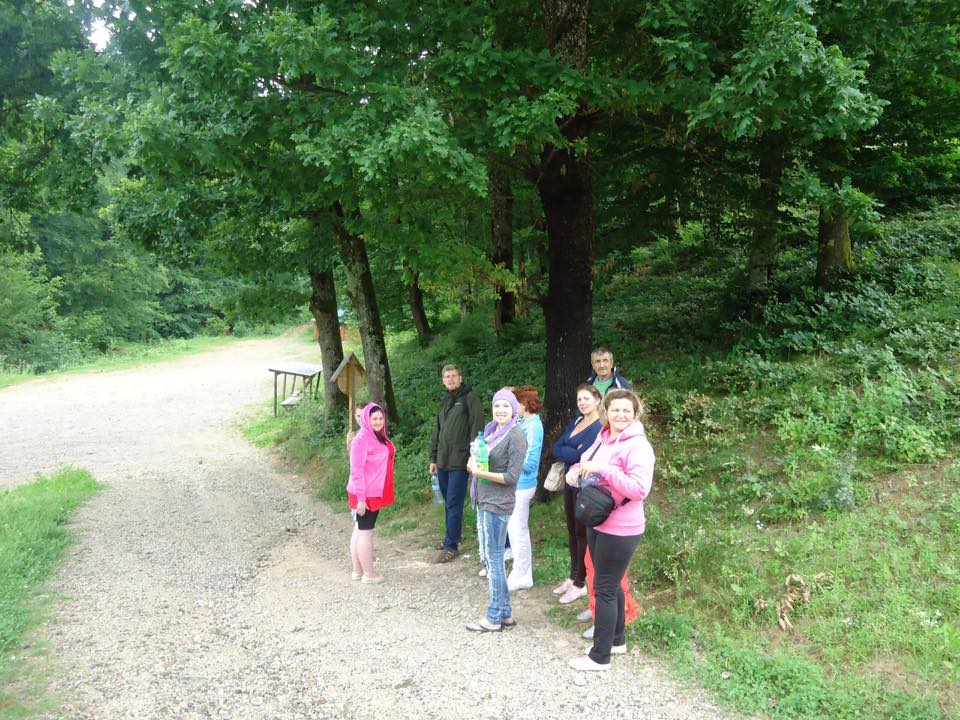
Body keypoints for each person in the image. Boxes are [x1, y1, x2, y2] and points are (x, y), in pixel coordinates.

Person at [565, 389, 654, 671]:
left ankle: (599, 657)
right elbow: (586, 461)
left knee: (603, 588)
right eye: (615, 410)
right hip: (598, 521)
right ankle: (616, 641)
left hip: (622, 528)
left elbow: (639, 489)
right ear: (606, 411)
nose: (621, 415)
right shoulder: (603, 436)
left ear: (636, 413)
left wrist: (604, 469)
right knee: (611, 585)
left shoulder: (638, 445)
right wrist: (575, 470)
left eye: (627, 410)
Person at [465, 389, 527, 632]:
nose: (501, 410)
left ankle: (493, 617)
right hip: (484, 499)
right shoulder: (491, 431)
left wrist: (481, 473)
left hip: (498, 503)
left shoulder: (516, 436)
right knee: (493, 558)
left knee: (494, 559)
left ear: (514, 410)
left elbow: (511, 477)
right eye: (497, 405)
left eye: (506, 406)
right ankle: (506, 614)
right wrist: (473, 462)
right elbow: (479, 459)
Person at [550, 384, 602, 604]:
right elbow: (556, 447)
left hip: (585, 486)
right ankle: (573, 576)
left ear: (597, 400)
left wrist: (570, 453)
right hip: (570, 483)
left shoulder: (599, 425)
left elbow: (582, 455)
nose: (582, 403)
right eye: (579, 399)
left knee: (582, 532)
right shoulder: (577, 421)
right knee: (571, 530)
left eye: (586, 398)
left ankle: (581, 582)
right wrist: (572, 453)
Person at [429, 364, 485, 563]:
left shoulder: (470, 399)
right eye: (447, 377)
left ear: (460, 378)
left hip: (460, 461)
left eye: (453, 376)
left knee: (454, 502)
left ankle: (451, 546)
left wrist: (473, 456)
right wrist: (433, 458)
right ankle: (451, 536)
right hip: (443, 460)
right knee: (448, 501)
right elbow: (437, 430)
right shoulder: (446, 400)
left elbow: (477, 429)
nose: (450, 379)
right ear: (443, 380)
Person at [347, 403, 396, 584]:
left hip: (371, 491)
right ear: (366, 419)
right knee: (366, 532)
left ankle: (357, 571)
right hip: (365, 493)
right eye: (374, 418)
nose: (378, 421)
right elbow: (356, 471)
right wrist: (361, 499)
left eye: (381, 418)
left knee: (359, 530)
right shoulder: (361, 439)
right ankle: (369, 574)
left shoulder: (376, 436)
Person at [506, 385, 543, 592]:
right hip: (515, 483)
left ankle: (523, 575)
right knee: (513, 529)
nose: (515, 407)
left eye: (517, 403)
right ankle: (518, 571)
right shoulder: (522, 422)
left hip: (524, 484)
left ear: (526, 404)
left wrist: (509, 459)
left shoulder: (534, 426)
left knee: (519, 530)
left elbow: (531, 462)